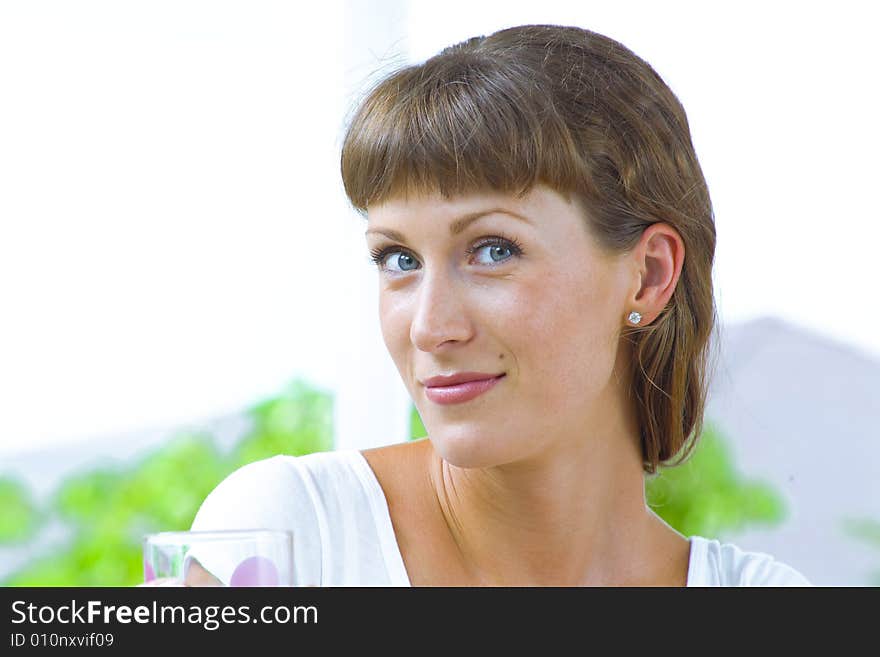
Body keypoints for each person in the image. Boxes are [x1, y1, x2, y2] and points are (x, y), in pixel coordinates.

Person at [189, 24, 810, 586]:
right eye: (399, 260)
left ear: (648, 276)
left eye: (492, 250)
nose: (431, 328)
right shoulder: (291, 540)